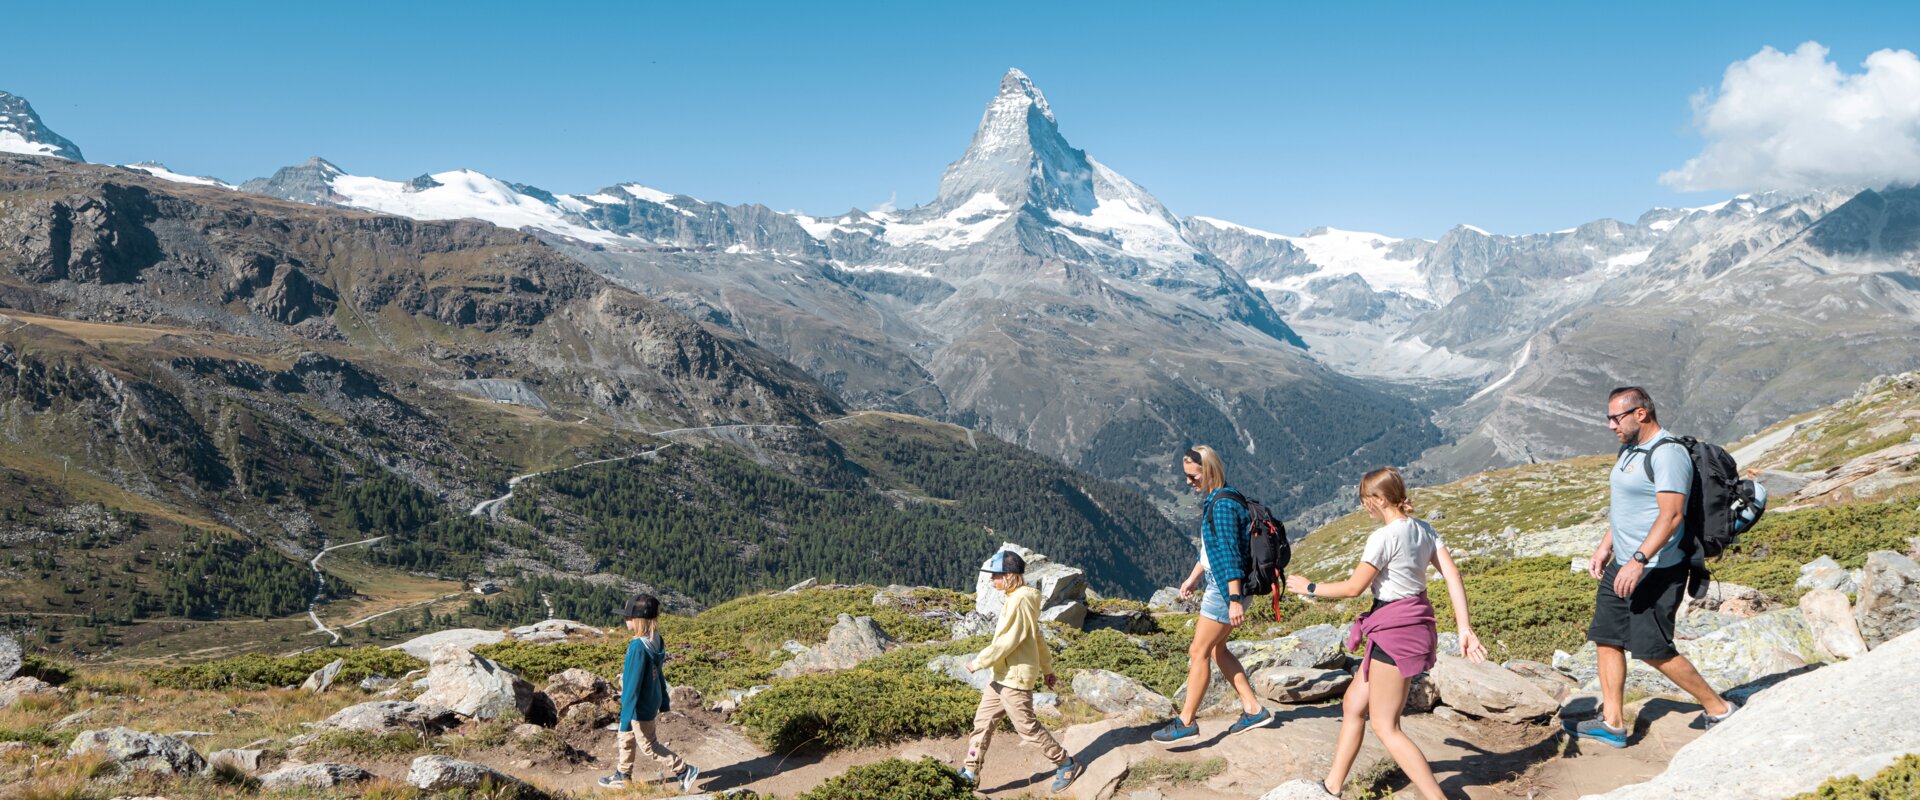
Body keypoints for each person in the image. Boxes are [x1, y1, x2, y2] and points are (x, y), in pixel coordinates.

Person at [1285, 466, 1486, 800]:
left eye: (1366, 499)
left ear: (1379, 499)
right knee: (1352, 704)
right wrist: (1464, 628)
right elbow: (1453, 575)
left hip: (1394, 630)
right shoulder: (1424, 529)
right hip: (1408, 624)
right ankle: (1333, 785)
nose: (1364, 506)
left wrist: (1309, 586)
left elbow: (1353, 588)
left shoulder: (1383, 537)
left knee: (1385, 725)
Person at [1574, 386, 1737, 748]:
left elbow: (1672, 516)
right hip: (1625, 562)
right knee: (1607, 638)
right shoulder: (1629, 450)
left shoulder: (1668, 454)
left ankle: (1720, 708)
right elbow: (1626, 509)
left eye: (1616, 417)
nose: (1611, 425)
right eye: (1609, 418)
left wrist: (1639, 560)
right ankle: (1613, 723)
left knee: (1651, 648)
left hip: (1657, 568)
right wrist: (1605, 548)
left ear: (1640, 414)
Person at [1152, 445, 1274, 744]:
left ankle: (1186, 721)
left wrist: (1234, 600)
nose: (1188, 482)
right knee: (1218, 650)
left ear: (1209, 472)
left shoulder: (1220, 506)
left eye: (1193, 477)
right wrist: (1194, 577)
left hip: (1225, 590)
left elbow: (1230, 555)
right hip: (1225, 586)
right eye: (1186, 477)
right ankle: (1253, 708)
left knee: (1199, 652)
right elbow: (1212, 549)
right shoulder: (1223, 497)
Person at [961, 549, 1084, 793]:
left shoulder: (1020, 600)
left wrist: (979, 661)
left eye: (995, 575)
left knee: (1027, 727)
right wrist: (1047, 668)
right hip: (1001, 676)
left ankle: (1066, 763)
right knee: (982, 723)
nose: (991, 580)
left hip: (1015, 678)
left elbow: (1010, 640)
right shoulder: (1015, 597)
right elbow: (1036, 636)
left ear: (1009, 576)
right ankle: (970, 771)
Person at [599, 593, 700, 792]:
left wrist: (625, 714)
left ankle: (683, 770)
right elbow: (659, 673)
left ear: (638, 620)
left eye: (628, 617)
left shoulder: (637, 647)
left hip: (638, 706)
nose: (625, 620)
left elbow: (631, 686)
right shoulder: (656, 640)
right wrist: (663, 701)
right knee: (627, 736)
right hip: (649, 700)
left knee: (648, 746)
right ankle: (623, 774)